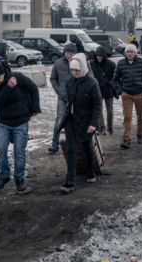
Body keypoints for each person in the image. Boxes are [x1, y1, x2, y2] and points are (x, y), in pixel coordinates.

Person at [0, 62, 41, 192]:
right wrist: (8, 87)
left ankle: (19, 179)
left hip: (21, 121)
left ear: (3, 73)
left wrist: (35, 108)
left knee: (19, 151)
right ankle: (4, 176)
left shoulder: (18, 77)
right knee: (0, 148)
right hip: (3, 122)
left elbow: (33, 88)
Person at [57, 53, 102, 193]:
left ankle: (90, 172)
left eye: (77, 70)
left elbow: (97, 105)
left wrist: (93, 123)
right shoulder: (70, 80)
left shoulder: (92, 83)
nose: (75, 73)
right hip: (71, 118)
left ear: (83, 68)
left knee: (87, 145)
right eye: (72, 70)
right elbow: (68, 100)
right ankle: (70, 182)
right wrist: (63, 116)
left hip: (87, 119)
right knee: (71, 148)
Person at [113, 44, 142, 149]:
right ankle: (126, 139)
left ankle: (140, 134)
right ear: (125, 53)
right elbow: (115, 79)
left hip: (140, 92)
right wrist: (120, 91)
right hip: (126, 93)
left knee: (141, 116)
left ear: (135, 52)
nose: (130, 54)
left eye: (132, 52)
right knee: (127, 116)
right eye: (128, 52)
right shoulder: (121, 63)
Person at [49, 43, 78, 153]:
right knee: (59, 120)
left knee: (77, 120)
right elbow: (53, 78)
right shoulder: (58, 63)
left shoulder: (81, 63)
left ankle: (77, 143)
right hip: (63, 97)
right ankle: (55, 144)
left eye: (71, 54)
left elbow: (89, 76)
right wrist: (58, 90)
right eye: (67, 53)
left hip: (77, 97)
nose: (69, 56)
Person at [91, 46, 117, 135]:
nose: (99, 57)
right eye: (97, 55)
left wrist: (110, 84)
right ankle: (102, 128)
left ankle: (110, 127)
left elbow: (116, 77)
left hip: (108, 89)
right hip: (97, 90)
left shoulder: (111, 64)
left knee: (110, 110)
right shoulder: (92, 64)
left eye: (101, 56)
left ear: (104, 56)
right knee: (99, 109)